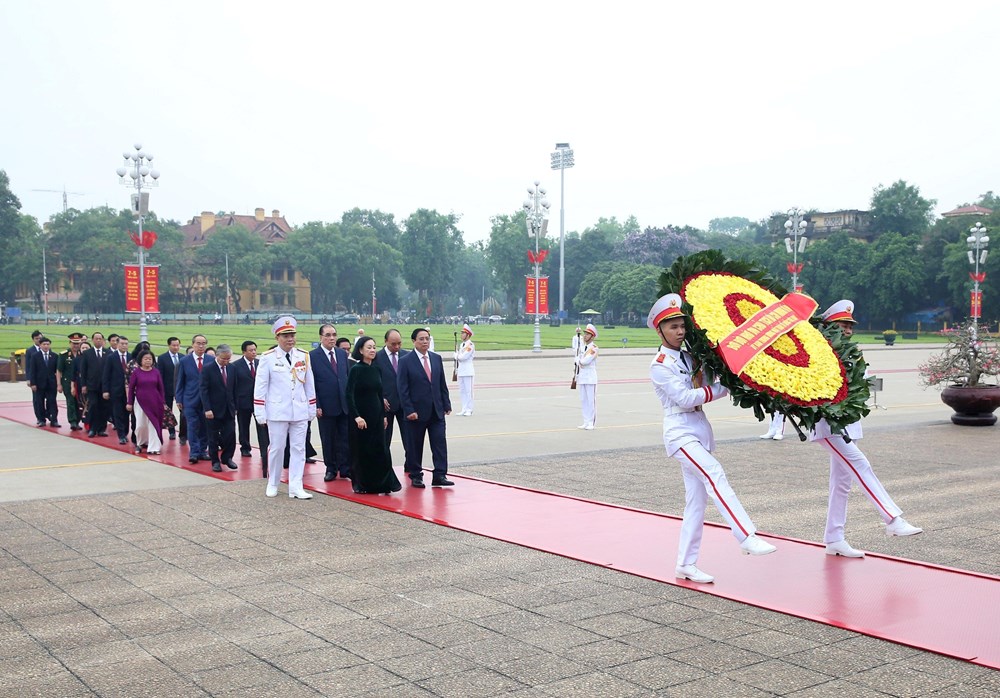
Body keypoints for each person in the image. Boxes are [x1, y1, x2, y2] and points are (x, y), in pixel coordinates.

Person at [647, 293, 776, 584]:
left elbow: (705, 381)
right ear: (660, 331)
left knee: (695, 502)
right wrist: (726, 387)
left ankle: (686, 564)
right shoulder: (660, 364)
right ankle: (746, 536)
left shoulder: (691, 354)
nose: (679, 331)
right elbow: (684, 397)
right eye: (672, 327)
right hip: (680, 432)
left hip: (698, 429)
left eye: (682, 325)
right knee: (714, 473)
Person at [811, 300, 922, 558]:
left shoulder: (850, 352)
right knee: (860, 464)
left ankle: (834, 537)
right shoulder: (820, 353)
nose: (848, 330)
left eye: (850, 325)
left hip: (848, 424)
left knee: (842, 482)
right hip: (827, 424)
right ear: (829, 327)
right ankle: (892, 519)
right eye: (842, 325)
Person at [254, 316, 317, 499]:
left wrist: (311, 407)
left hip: (299, 409)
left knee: (299, 449)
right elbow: (261, 387)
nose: (290, 339)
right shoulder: (268, 358)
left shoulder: (303, 355)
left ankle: (296, 486)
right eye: (285, 335)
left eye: (292, 335)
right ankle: (273, 482)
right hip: (277, 411)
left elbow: (309, 384)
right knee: (277, 448)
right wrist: (260, 412)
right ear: (277, 338)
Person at [397, 327, 453, 488]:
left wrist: (446, 403)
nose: (424, 342)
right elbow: (403, 388)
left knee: (439, 443)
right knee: (415, 445)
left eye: (427, 338)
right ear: (414, 341)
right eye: (421, 339)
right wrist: (409, 410)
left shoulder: (436, 358)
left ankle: (440, 475)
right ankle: (416, 475)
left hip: (436, 410)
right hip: (416, 412)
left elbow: (441, 383)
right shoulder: (406, 361)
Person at [346, 336, 402, 494]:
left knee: (380, 450)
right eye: (368, 347)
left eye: (373, 347)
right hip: (361, 418)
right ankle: (361, 484)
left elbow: (379, 393)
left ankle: (384, 483)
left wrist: (384, 415)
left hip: (377, 416)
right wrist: (356, 416)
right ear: (361, 350)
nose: (372, 350)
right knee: (362, 451)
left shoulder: (376, 369)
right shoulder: (356, 369)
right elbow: (349, 394)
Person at [310, 324, 351, 482]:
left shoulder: (341, 354)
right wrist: (316, 404)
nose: (332, 338)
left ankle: (345, 468)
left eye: (334, 334)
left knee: (344, 438)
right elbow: (311, 383)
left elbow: (345, 378)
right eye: (328, 335)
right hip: (325, 406)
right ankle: (331, 468)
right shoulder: (313, 356)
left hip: (343, 404)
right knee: (328, 439)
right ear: (321, 337)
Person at [175, 334, 213, 464]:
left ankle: (203, 451)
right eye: (198, 343)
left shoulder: (210, 360)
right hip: (189, 399)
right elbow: (180, 381)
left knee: (205, 427)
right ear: (193, 345)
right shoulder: (185, 361)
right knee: (192, 426)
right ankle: (194, 452)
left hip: (206, 401)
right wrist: (179, 399)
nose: (201, 346)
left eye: (203, 343)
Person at [200, 344, 238, 472]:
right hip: (213, 410)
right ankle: (215, 461)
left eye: (228, 359)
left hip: (229, 409)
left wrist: (235, 406)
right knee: (213, 437)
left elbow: (235, 389)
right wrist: (207, 408)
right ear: (217, 355)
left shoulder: (232, 368)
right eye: (223, 359)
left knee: (230, 435)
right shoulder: (208, 368)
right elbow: (203, 390)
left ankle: (227, 458)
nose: (226, 361)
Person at [373, 328, 409, 455]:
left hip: (405, 405)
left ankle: (411, 467)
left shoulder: (407, 356)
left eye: (399, 343)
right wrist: (380, 398)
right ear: (385, 341)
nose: (397, 346)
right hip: (385, 405)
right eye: (393, 344)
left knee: (409, 440)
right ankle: (384, 469)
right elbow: (372, 382)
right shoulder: (376, 357)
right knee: (384, 440)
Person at [126, 348, 165, 455]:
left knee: (154, 425)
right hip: (140, 402)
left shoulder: (156, 372)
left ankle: (154, 447)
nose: (148, 361)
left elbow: (161, 388)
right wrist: (129, 402)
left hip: (155, 402)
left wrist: (163, 402)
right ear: (140, 360)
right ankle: (140, 443)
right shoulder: (136, 373)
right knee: (140, 425)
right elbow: (131, 388)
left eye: (150, 359)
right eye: (145, 359)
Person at [231, 341, 260, 459]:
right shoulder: (235, 366)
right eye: (251, 350)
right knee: (243, 426)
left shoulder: (260, 363)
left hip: (258, 401)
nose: (254, 352)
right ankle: (245, 448)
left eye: (255, 350)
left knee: (262, 426)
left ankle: (264, 447)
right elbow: (232, 385)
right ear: (244, 352)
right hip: (243, 402)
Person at [78, 332, 109, 437]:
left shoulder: (108, 353)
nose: (98, 340)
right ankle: (92, 428)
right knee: (93, 406)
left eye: (100, 338)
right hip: (92, 385)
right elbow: (83, 370)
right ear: (92, 340)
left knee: (104, 407)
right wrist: (83, 385)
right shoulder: (87, 353)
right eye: (96, 338)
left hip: (104, 386)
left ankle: (101, 429)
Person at [102, 335, 131, 444]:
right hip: (116, 390)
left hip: (128, 392)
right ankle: (121, 435)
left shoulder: (131, 357)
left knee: (126, 413)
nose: (124, 346)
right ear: (117, 344)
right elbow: (106, 375)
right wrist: (105, 390)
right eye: (122, 344)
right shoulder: (111, 357)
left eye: (126, 344)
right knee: (117, 413)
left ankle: (126, 431)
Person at [56, 332, 86, 430]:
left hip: (80, 382)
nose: (76, 345)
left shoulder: (83, 354)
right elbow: (59, 370)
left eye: (78, 343)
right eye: (74, 343)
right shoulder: (64, 355)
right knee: (71, 402)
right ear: (70, 343)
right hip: (68, 382)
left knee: (80, 402)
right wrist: (59, 384)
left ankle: (78, 420)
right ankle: (73, 421)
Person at [28, 336, 59, 427]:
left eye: (47, 344)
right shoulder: (35, 356)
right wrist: (33, 383)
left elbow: (57, 371)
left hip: (51, 384)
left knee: (52, 402)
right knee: (39, 402)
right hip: (39, 383)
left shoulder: (54, 356)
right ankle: (41, 419)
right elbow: (32, 370)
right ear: (40, 345)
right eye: (44, 344)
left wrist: (58, 383)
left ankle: (54, 420)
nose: (46, 346)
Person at [156, 337, 183, 442]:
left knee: (183, 412)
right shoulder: (162, 358)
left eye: (177, 345)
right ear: (169, 345)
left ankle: (183, 433)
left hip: (179, 389)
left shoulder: (183, 357)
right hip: (167, 389)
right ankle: (171, 431)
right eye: (174, 345)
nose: (176, 347)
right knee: (168, 411)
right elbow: (160, 375)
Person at [575, 324, 599, 429]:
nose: (585, 336)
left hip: (590, 377)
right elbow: (575, 348)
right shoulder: (582, 347)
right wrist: (577, 334)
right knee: (583, 400)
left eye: (588, 334)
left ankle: (591, 423)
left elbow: (585, 361)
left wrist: (578, 360)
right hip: (582, 376)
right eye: (585, 334)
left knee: (590, 401)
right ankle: (585, 421)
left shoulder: (594, 348)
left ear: (592, 337)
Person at [455, 323, 475, 416]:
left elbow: (463, 357)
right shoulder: (462, 345)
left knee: (468, 391)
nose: (461, 334)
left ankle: (469, 409)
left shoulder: (470, 345)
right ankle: (464, 408)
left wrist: (456, 356)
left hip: (468, 370)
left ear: (467, 335)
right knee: (462, 390)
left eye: (463, 333)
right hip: (461, 370)